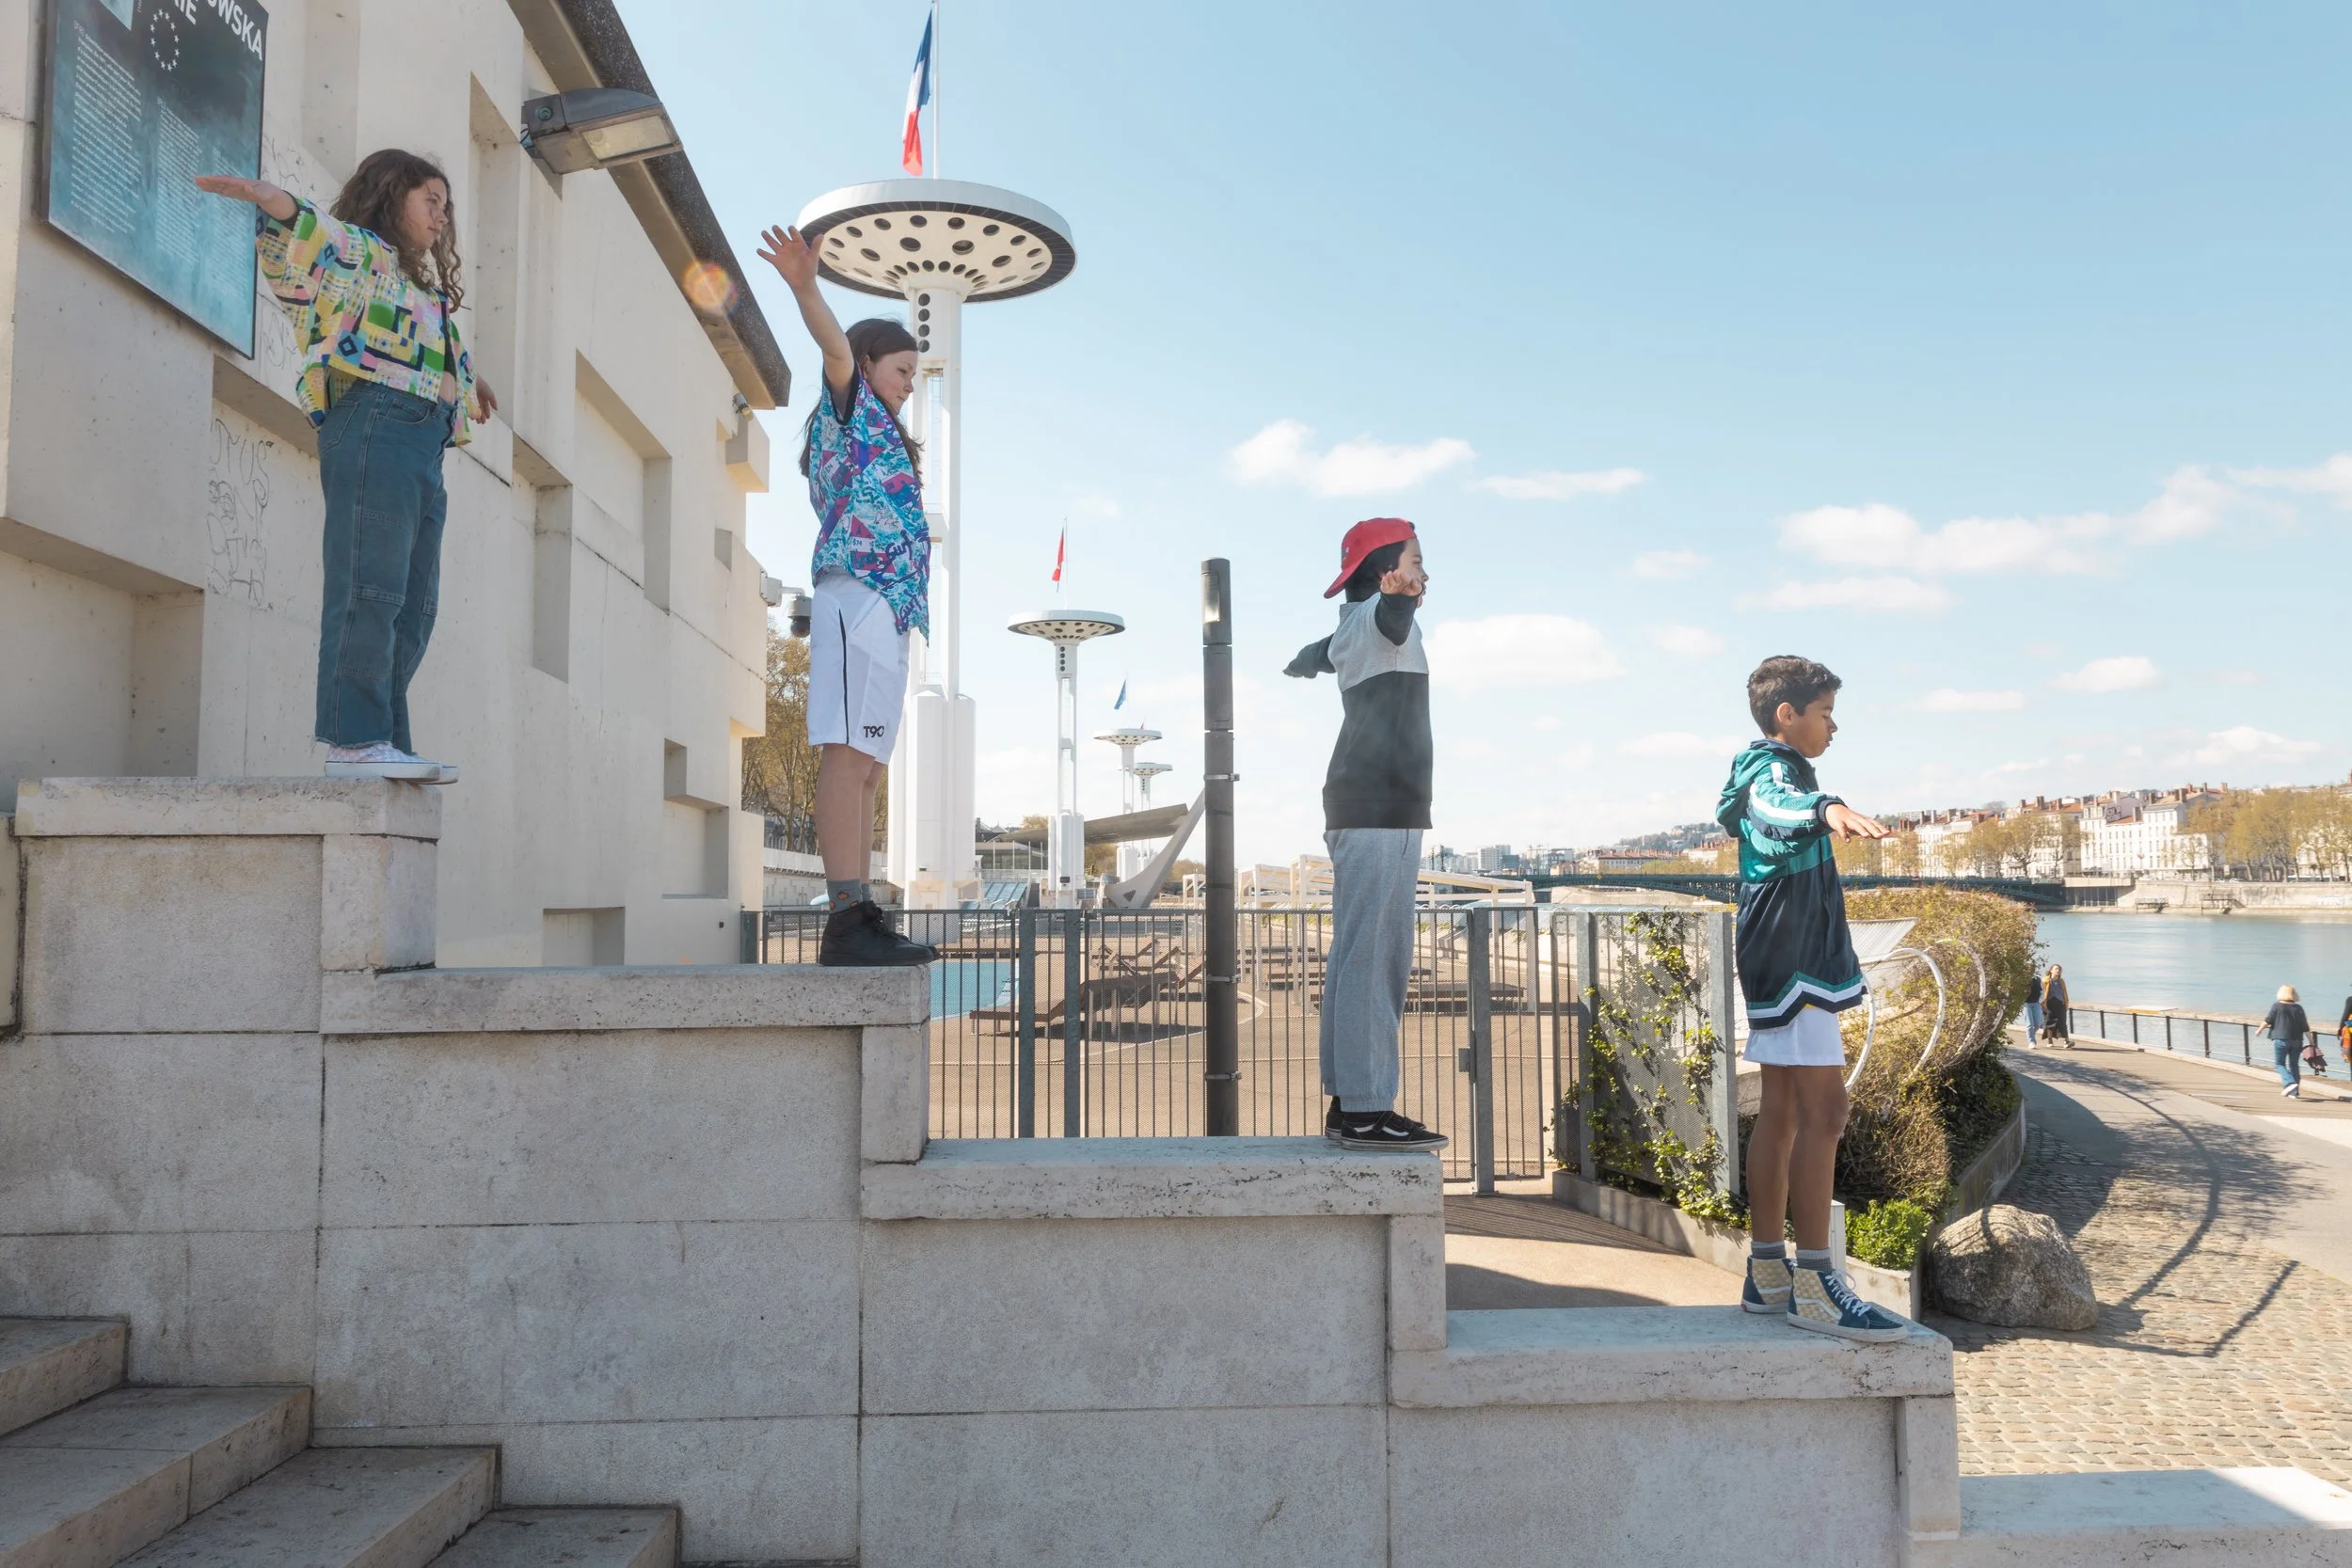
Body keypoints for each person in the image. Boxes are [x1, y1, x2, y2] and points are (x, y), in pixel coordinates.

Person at [195, 154, 495, 783]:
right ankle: (353, 741)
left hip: (423, 444)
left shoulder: (418, 286)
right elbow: (312, 234)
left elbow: (425, 342)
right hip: (378, 425)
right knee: (370, 584)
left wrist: (470, 381)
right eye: (430, 200)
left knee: (413, 606)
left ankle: (383, 739)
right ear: (391, 197)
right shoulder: (365, 253)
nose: (442, 217)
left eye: (447, 205)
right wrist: (269, 196)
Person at [755, 223, 936, 967]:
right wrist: (805, 285)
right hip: (852, 597)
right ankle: (843, 914)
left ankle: (862, 908)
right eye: (900, 369)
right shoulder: (851, 409)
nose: (907, 383)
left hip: (886, 610)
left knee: (868, 763)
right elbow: (832, 350)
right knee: (843, 756)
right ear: (867, 365)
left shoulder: (886, 436)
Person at [1720, 656, 1908, 1342]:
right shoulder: (1775, 772)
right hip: (1795, 957)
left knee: (1783, 1108)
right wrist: (1828, 808)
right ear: (1786, 716)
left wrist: (1822, 803)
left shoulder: (1769, 767)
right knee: (1825, 1109)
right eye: (1826, 712)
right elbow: (1775, 809)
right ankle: (1817, 1283)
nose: (1834, 724)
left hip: (1778, 949)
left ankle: (1770, 1270)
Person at [1283, 518, 1446, 1151]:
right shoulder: (1384, 615)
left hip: (1366, 806)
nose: (1425, 570)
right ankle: (1366, 1109)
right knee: (1376, 962)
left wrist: (1304, 661)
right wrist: (1400, 596)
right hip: (1382, 810)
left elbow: (1326, 649)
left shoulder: (1352, 625)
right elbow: (1392, 618)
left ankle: (1350, 1102)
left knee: (1359, 957)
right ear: (1384, 568)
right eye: (1415, 558)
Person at [2265, 985, 2311, 1100]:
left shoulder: (2277, 1006)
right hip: (2297, 1040)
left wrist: (2259, 1030)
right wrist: (2311, 1041)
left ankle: (2290, 1083)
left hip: (2281, 1039)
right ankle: (2294, 1091)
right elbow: (2305, 1026)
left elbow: (2268, 1020)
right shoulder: (2298, 1008)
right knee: (2294, 1065)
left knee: (2279, 1064)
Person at [2041, 965, 2072, 1046]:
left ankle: (2066, 1041)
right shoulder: (2045, 980)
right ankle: (2050, 1041)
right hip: (2049, 1004)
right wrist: (2042, 1004)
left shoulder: (2061, 981)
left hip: (2060, 1004)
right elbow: (2041, 993)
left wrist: (2066, 1002)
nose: (2058, 970)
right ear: (2051, 970)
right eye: (2056, 969)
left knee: (2062, 1022)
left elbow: (2065, 992)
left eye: (2059, 969)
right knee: (2049, 1022)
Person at [2021, 968, 2045, 1044]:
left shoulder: (2038, 980)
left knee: (2038, 1024)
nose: (2030, 971)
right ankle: (2031, 1041)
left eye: (2031, 970)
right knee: (2029, 1024)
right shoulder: (2022, 980)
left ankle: (2031, 1034)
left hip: (2036, 1003)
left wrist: (2040, 1001)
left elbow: (2043, 991)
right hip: (2026, 1004)